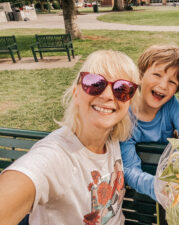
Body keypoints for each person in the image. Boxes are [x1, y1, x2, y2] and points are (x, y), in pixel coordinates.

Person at [0, 50, 140, 225]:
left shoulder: (112, 140)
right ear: (76, 93)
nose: (108, 95)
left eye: (122, 89)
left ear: (129, 102)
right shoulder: (56, 155)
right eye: (95, 83)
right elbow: (30, 174)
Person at [120, 45, 179, 201]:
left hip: (170, 184)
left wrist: (174, 170)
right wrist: (157, 186)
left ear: (176, 89)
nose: (163, 85)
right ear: (140, 76)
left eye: (172, 82)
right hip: (142, 188)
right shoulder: (125, 115)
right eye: (157, 75)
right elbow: (129, 168)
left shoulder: (170, 105)